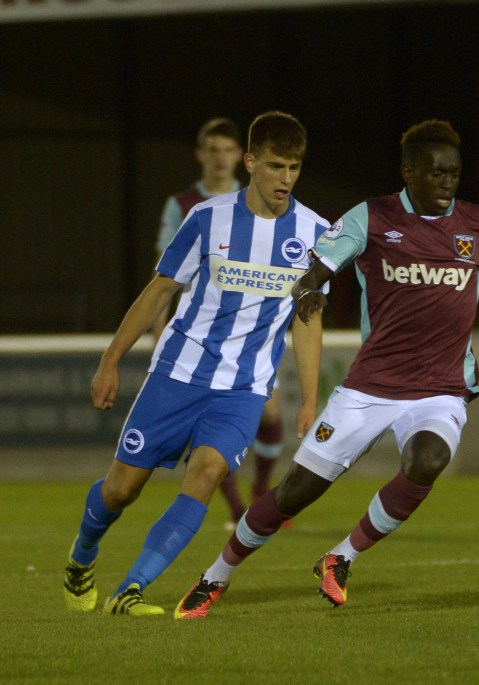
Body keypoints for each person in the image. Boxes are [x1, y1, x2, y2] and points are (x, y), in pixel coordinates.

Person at [174, 119, 479, 620]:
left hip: (441, 388)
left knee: (426, 462)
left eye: (454, 173)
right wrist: (309, 290)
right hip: (369, 388)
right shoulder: (371, 216)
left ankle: (341, 557)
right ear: (409, 172)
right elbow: (314, 272)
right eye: (437, 172)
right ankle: (215, 576)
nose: (448, 182)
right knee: (295, 494)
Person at [62, 111, 330, 616]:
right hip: (177, 373)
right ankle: (82, 557)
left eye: (294, 168)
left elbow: (308, 319)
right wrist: (110, 361)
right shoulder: (207, 218)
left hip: (244, 388)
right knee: (122, 490)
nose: (286, 179)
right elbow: (159, 290)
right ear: (250, 163)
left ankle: (133, 589)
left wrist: (310, 398)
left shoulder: (317, 233)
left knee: (206, 473)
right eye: (275, 166)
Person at [151, 117, 287, 529]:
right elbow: (163, 275)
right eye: (214, 150)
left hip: (252, 332)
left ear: (241, 157)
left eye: (228, 150)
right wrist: (159, 333)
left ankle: (261, 490)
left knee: (272, 415)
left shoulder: (259, 198)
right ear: (201, 155)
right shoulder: (183, 203)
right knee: (204, 425)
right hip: (199, 334)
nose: (221, 158)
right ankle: (236, 508)